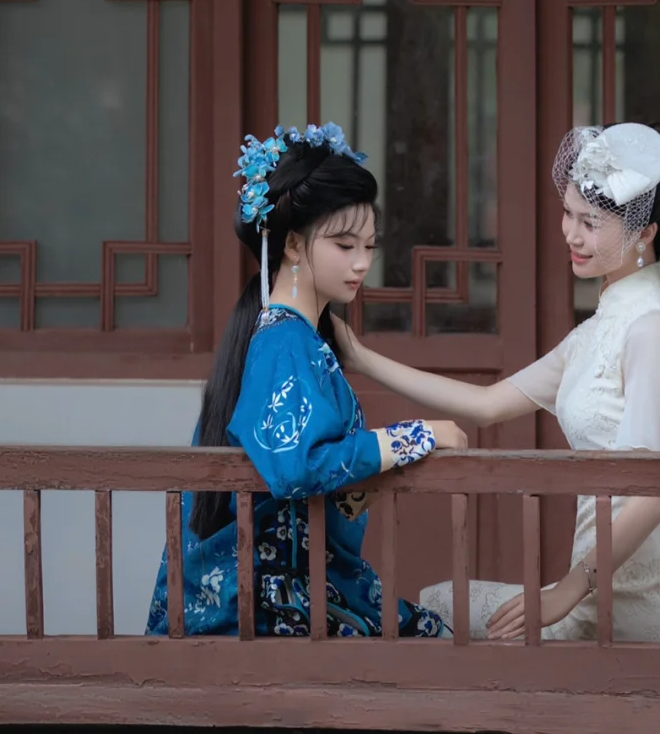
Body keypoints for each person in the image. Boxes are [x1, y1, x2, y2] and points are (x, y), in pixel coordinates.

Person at [335, 120, 660, 643]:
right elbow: (487, 404)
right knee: (437, 604)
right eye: (568, 214)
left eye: (590, 222)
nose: (571, 234)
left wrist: (567, 589)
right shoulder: (607, 323)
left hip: (637, 601)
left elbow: (655, 490)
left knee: (438, 610)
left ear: (644, 232)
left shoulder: (652, 327)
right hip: (591, 587)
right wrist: (359, 355)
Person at [146, 122, 465, 638]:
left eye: (369, 246)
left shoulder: (295, 338)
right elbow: (298, 470)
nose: (362, 263)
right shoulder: (283, 341)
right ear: (293, 243)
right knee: (443, 642)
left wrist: (394, 462)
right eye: (344, 245)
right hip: (269, 601)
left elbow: (317, 494)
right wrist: (418, 435)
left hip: (279, 589)